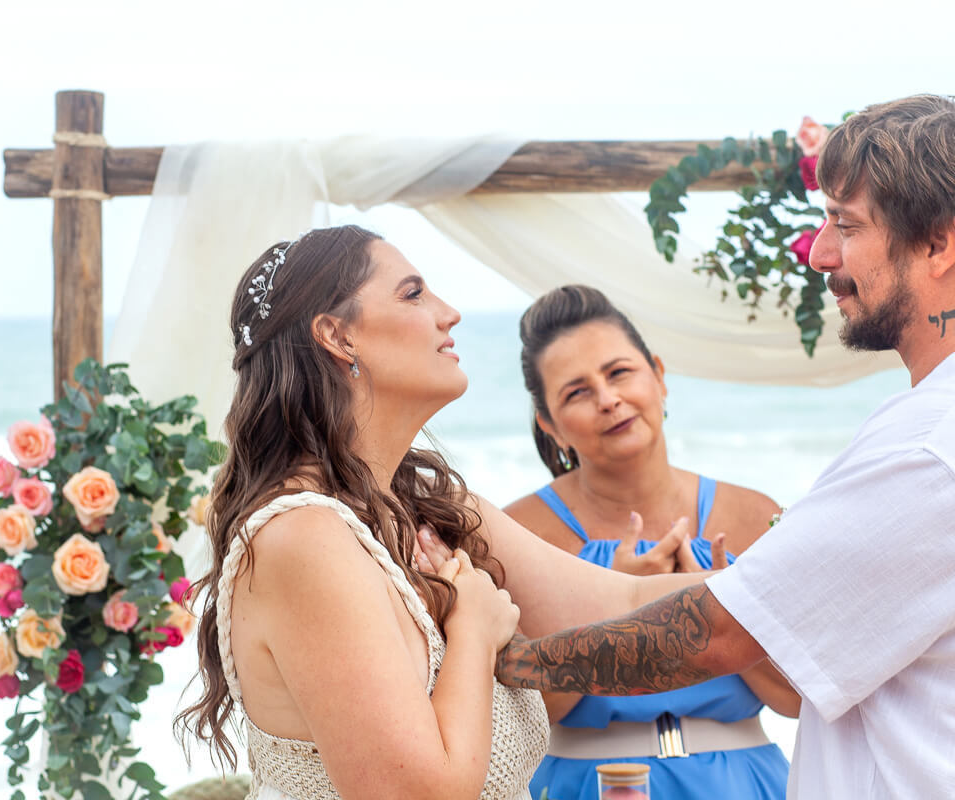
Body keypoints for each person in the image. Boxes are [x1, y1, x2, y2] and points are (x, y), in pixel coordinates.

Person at [489, 95, 955, 798]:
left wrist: (514, 661)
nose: (819, 254)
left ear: (939, 243)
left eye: (845, 225)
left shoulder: (939, 445)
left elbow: (719, 635)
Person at [177, 226, 715, 800]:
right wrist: (474, 632)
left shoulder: (431, 510)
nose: (449, 313)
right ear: (337, 336)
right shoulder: (303, 538)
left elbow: (628, 606)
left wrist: (807, 568)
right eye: (413, 294)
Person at [504, 285, 795, 800]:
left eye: (619, 373)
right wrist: (614, 607)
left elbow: (800, 699)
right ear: (550, 425)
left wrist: (730, 618)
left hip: (746, 785)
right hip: (582, 785)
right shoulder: (520, 534)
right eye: (577, 392)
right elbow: (516, 720)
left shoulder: (751, 514)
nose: (608, 399)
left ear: (659, 376)